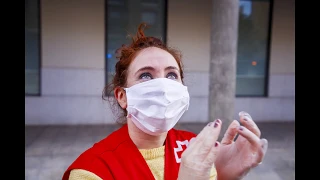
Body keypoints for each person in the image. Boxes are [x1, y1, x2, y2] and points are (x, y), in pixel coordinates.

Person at [62, 23, 268, 180]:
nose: (162, 86)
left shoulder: (194, 146)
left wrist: (222, 173)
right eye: (145, 76)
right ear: (122, 96)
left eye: (171, 75)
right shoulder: (92, 170)